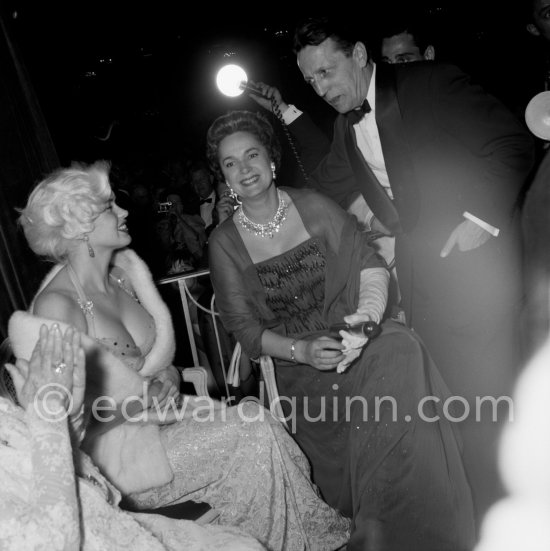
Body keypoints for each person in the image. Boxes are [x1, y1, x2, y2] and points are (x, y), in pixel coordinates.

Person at [249, 15, 535, 525]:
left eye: (327, 71)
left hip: (478, 270)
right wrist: (284, 124)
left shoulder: (430, 83)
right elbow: (325, 181)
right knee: (455, 409)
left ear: (359, 54)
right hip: (425, 280)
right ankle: (481, 520)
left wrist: (479, 221)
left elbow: (511, 141)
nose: (322, 87)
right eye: (311, 80)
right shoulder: (344, 124)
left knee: (493, 401)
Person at [8, 160, 351, 551]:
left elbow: (157, 363)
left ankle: (306, 540)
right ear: (78, 225)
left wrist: (168, 379)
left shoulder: (124, 277)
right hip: (121, 459)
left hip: (170, 421)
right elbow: (60, 422)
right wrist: (136, 401)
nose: (124, 212)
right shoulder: (58, 306)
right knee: (249, 437)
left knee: (260, 421)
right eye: (109, 207)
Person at [207, 109, 475, 551]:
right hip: (299, 361)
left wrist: (366, 322)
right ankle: (381, 526)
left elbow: (370, 267)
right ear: (224, 177)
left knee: (400, 348)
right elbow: (247, 332)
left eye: (251, 155)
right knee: (372, 379)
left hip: (357, 332)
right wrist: (304, 352)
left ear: (271, 159)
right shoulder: (224, 243)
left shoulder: (313, 206)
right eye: (230, 164)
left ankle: (405, 525)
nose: (244, 169)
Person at [0, 323, 265, 550]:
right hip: (121, 474)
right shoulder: (28, 414)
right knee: (250, 434)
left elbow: (149, 369)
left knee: (255, 425)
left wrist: (168, 376)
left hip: (115, 488)